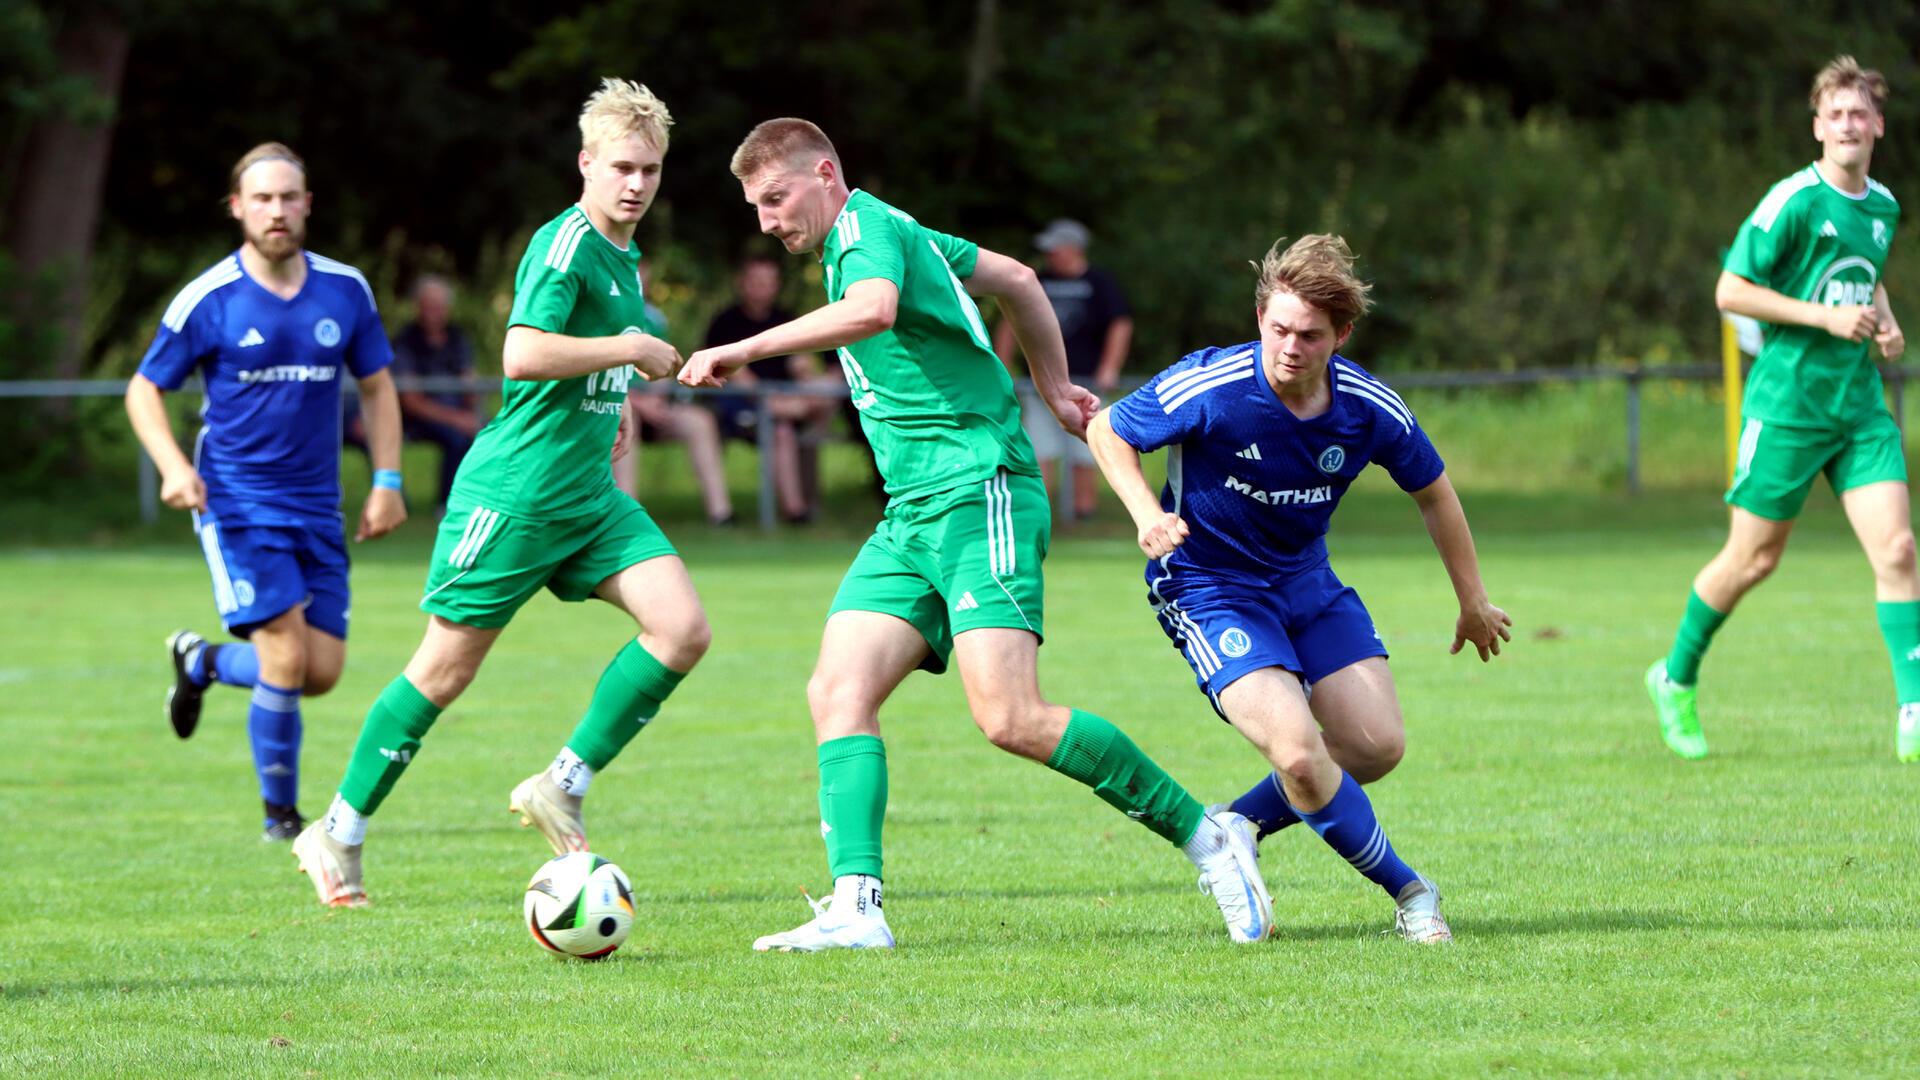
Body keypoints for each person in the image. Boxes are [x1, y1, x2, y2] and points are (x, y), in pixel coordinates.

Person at [681, 118, 1271, 950]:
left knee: (1011, 717)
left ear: (823, 173)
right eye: (756, 207)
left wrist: (746, 347)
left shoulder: (865, 234)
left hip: (978, 489)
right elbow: (1022, 280)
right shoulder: (900, 228)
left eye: (776, 199)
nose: (768, 221)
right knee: (837, 691)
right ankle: (857, 907)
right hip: (913, 510)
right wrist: (1057, 387)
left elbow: (872, 311)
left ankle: (1211, 838)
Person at [292, 79, 709, 907]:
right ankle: (336, 832)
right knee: (443, 672)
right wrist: (627, 348)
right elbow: (521, 352)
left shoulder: (627, 257)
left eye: (651, 170)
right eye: (622, 167)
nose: (636, 184)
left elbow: (590, 353)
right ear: (586, 164)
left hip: (587, 498)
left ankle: (562, 782)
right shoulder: (564, 245)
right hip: (515, 497)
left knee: (683, 629)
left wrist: (616, 394)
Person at [1088, 234, 1510, 943]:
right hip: (1208, 587)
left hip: (1307, 582)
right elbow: (1108, 428)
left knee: (1375, 747)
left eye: (1309, 335)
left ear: (1341, 336)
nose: (1289, 346)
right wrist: (1145, 513)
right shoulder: (1211, 386)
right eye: (1278, 328)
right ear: (1260, 318)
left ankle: (1240, 822)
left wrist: (1472, 599)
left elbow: (1435, 493)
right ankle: (1412, 892)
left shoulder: (1367, 408)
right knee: (1297, 753)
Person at [124, 142, 407, 841]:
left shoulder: (346, 290)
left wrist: (388, 480)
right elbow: (143, 389)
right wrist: (171, 466)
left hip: (318, 506)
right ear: (237, 209)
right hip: (237, 501)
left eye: (289, 197)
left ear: (307, 204)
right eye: (262, 199)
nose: (277, 211)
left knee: (321, 671)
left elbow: (377, 386)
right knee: (285, 656)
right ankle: (281, 819)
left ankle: (206, 661)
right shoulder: (208, 298)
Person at [1646, 55, 1914, 762]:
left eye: (1860, 114)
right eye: (1836, 115)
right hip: (1788, 406)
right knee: (1753, 558)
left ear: (1877, 125)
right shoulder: (1792, 202)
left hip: (1857, 407)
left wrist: (1885, 323)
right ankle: (1674, 678)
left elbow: (1869, 283)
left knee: (1898, 549)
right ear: (1819, 128)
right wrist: (1822, 320)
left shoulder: (1883, 207)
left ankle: (1914, 709)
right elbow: (1731, 290)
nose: (1849, 125)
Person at [993, 218, 1132, 520]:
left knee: (1089, 446)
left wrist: (1109, 368)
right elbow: (1009, 323)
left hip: (1087, 384)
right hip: (1040, 384)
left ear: (1074, 249)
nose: (1050, 255)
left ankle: (1084, 514)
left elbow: (1119, 324)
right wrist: (1002, 367)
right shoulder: (1036, 280)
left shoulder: (1099, 282)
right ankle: (1041, 515)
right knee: (1040, 449)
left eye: (1056, 249)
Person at [704, 253, 840, 522]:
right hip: (740, 408)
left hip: (786, 404)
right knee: (782, 430)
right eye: (756, 281)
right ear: (742, 283)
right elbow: (727, 372)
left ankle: (799, 505)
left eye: (768, 282)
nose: (762, 288)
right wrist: (773, 402)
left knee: (798, 415)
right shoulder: (725, 322)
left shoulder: (785, 318)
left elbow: (803, 364)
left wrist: (803, 370)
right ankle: (795, 510)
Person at [617, 267, 736, 525]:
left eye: (643, 281)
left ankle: (721, 513)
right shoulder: (606, 315)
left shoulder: (654, 319)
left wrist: (658, 399)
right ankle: (628, 513)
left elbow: (664, 367)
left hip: (653, 405)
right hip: (619, 406)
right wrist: (638, 402)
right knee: (628, 418)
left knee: (699, 421)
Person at [389, 275, 486, 516]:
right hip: (416, 419)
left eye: (439, 307)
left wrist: (473, 409)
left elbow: (469, 382)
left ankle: (486, 500)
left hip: (456, 413)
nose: (434, 313)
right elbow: (410, 400)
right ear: (418, 307)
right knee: (456, 437)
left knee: (495, 432)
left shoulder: (457, 337)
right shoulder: (406, 341)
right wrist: (457, 419)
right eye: (428, 306)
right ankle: (448, 505)